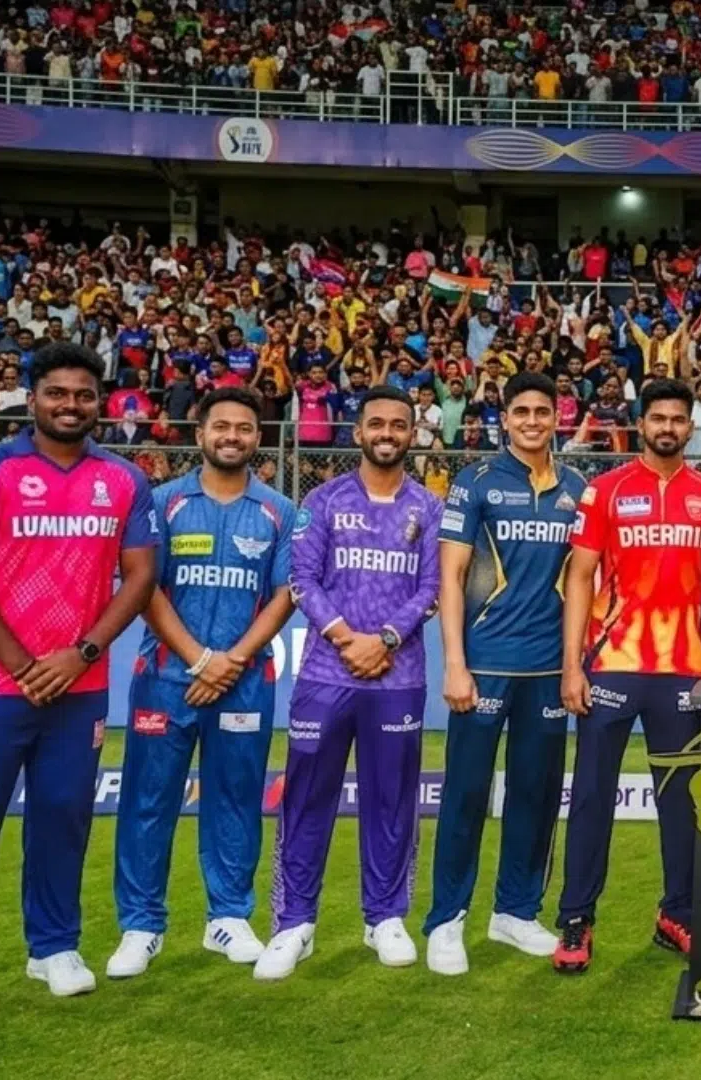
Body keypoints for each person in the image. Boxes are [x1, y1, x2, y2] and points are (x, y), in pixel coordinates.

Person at [0, 342, 159, 1024]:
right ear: (33, 398)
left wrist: (81, 653)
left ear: (99, 401)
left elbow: (140, 576)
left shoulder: (123, 479)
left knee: (62, 820)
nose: (70, 405)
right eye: (57, 393)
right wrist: (24, 665)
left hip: (79, 686)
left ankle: (54, 947)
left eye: (83, 394)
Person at [107, 387, 296, 979]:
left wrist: (231, 661)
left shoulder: (279, 511)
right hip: (166, 678)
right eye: (222, 426)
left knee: (236, 800)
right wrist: (198, 659)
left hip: (244, 680)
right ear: (200, 434)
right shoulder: (162, 502)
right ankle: (141, 925)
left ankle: (229, 918)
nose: (232, 436)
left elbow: (285, 595)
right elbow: (144, 586)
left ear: (257, 438)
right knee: (148, 801)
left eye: (244, 428)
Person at [257, 386, 444, 981]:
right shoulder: (323, 500)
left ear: (413, 434)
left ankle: (385, 916)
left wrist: (384, 639)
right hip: (324, 673)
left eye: (398, 424)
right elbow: (302, 580)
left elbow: (432, 587)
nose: (387, 433)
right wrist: (347, 639)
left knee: (392, 799)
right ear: (358, 432)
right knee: (307, 796)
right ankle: (294, 922)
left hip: (398, 675)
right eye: (376, 424)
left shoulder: (429, 507)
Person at [552, 377, 701, 973]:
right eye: (658, 418)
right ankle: (577, 918)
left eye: (678, 419)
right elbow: (580, 577)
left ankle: (677, 912)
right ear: (641, 424)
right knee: (592, 795)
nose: (668, 428)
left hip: (682, 670)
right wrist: (572, 666)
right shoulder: (605, 490)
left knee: (682, 800)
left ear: (690, 427)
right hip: (612, 664)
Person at [424, 372, 588, 975]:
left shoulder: (577, 487)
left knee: (535, 795)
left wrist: (573, 665)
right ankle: (447, 919)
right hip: (484, 665)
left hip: (547, 668)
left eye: (543, 411)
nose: (532, 421)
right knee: (466, 794)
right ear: (505, 419)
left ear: (557, 417)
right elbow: (449, 576)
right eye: (521, 411)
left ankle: (515, 911)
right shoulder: (477, 482)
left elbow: (582, 580)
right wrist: (455, 664)